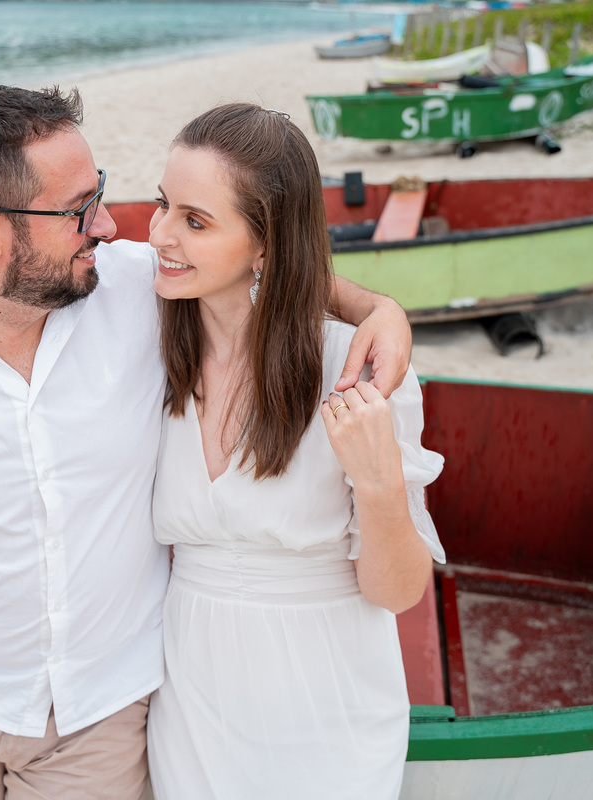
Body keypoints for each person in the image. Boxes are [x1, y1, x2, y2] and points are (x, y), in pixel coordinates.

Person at [0, 83, 412, 799]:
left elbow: (261, 259)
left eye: (101, 192)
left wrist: (379, 308)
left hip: (99, 715)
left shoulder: (135, 287)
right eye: (79, 209)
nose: (112, 226)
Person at [144, 103, 445, 799]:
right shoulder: (147, 332)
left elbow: (397, 591)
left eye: (194, 220)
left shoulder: (357, 370)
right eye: (162, 204)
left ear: (267, 246)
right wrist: (381, 301)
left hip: (325, 696)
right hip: (189, 691)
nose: (158, 235)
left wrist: (378, 485)